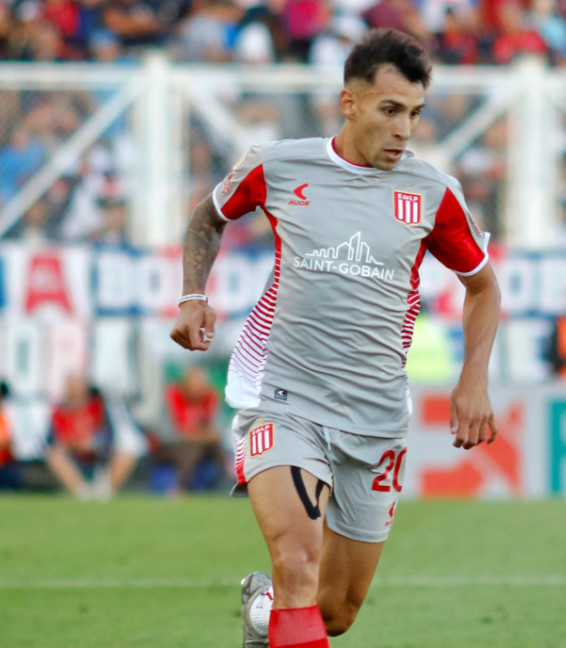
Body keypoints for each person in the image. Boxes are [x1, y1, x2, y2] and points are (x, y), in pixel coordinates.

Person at [169, 29, 501, 648]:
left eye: (415, 114)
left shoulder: (434, 194)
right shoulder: (279, 164)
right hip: (285, 398)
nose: (405, 129)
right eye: (390, 110)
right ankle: (282, 601)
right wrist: (193, 295)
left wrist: (472, 379)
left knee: (337, 611)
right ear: (349, 104)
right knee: (297, 566)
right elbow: (208, 216)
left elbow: (484, 288)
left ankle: (264, 615)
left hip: (375, 419)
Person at [43, 374, 144, 500]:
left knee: (128, 453)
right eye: (71, 385)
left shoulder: (98, 407)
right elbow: (50, 442)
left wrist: (94, 444)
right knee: (54, 456)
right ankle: (82, 493)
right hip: (74, 458)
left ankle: (105, 493)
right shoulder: (58, 413)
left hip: (99, 456)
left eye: (78, 384)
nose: (74, 389)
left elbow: (110, 436)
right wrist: (72, 445)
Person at [163, 365, 226, 492]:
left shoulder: (210, 395)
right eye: (194, 383)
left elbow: (216, 430)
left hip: (202, 442)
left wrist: (201, 435)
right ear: (186, 383)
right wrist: (202, 435)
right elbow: (180, 431)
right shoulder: (175, 394)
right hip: (170, 443)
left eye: (201, 384)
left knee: (217, 446)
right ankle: (179, 488)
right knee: (192, 448)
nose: (198, 388)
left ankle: (229, 483)